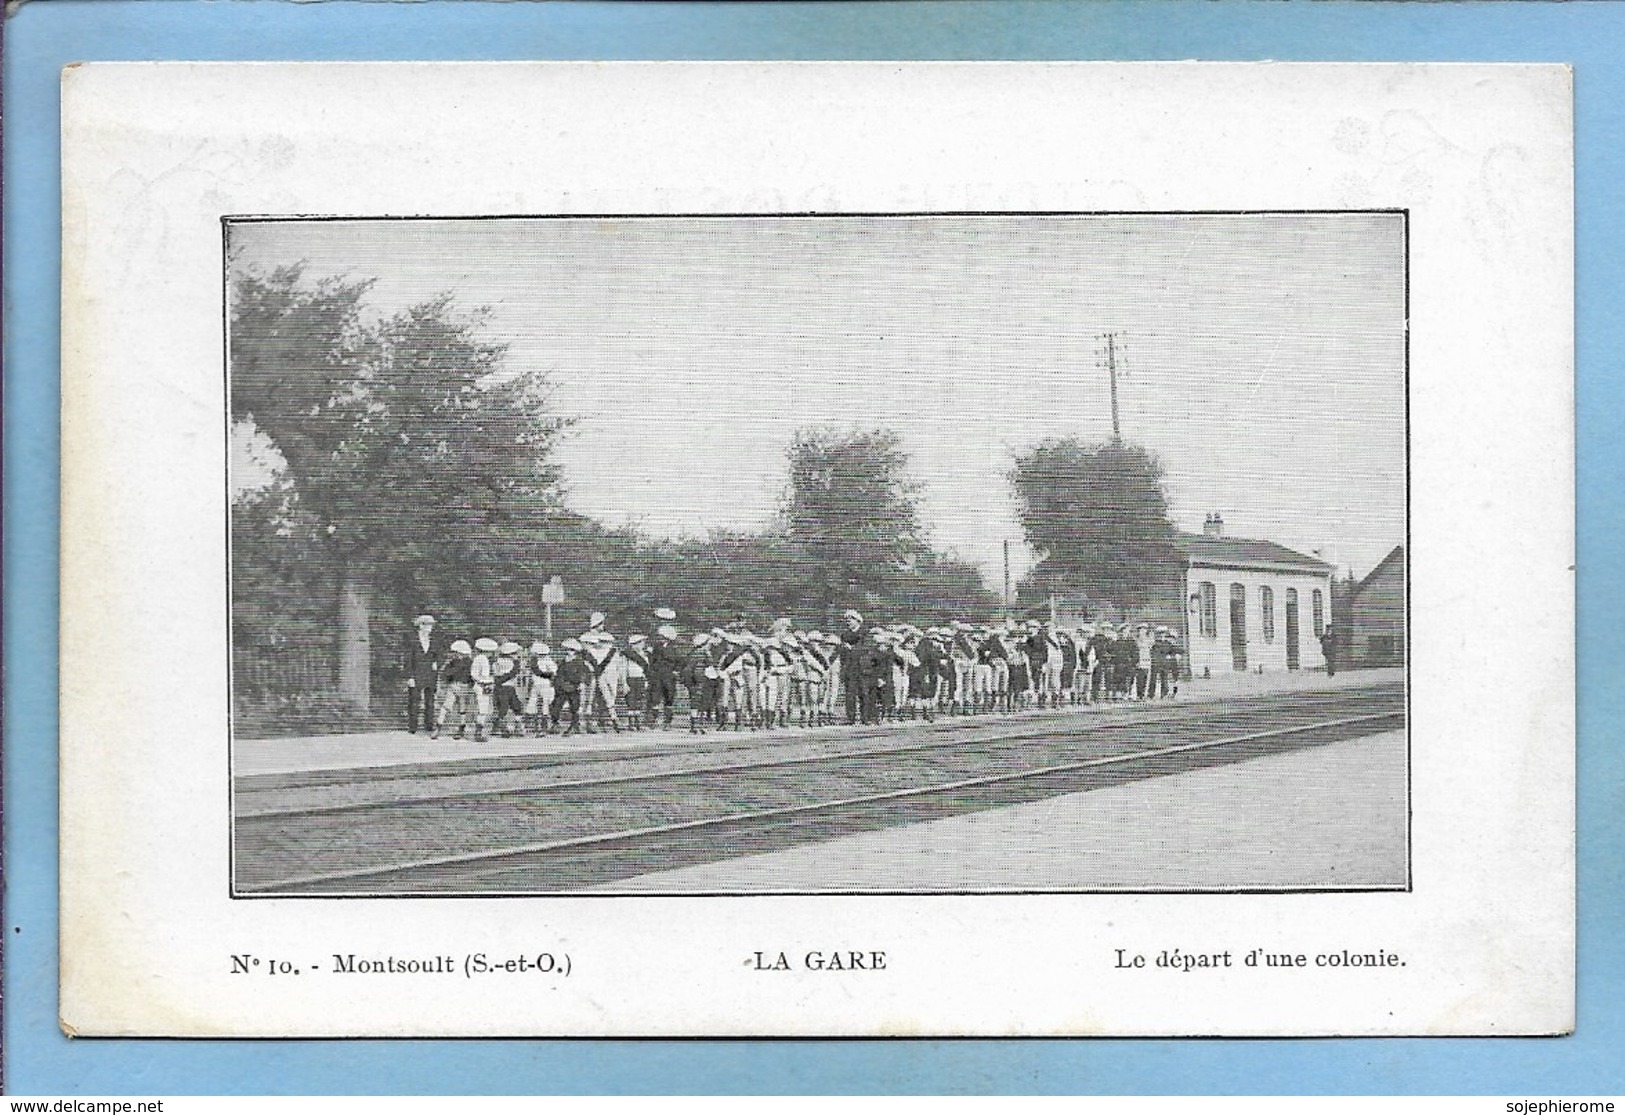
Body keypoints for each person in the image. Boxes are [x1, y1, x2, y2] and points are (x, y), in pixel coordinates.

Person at [402, 614, 442, 734]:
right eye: (428, 624)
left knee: (430, 701)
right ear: (421, 626)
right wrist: (409, 677)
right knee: (414, 700)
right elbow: (407, 659)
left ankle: (429, 725)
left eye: (431, 625)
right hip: (416, 674)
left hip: (430, 674)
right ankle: (412, 726)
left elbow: (438, 655)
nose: (430, 627)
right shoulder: (413, 640)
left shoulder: (434, 640)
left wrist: (436, 663)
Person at [434, 639, 474, 740]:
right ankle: (441, 726)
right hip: (456, 686)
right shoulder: (457, 662)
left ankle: (455, 727)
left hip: (461, 686)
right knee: (452, 707)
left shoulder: (465, 663)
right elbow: (445, 673)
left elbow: (447, 673)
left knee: (458, 707)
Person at [645, 623, 682, 730]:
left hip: (669, 677)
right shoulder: (656, 648)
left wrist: (675, 671)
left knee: (669, 699)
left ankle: (667, 722)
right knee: (655, 698)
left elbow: (678, 661)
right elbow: (652, 661)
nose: (659, 638)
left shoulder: (673, 649)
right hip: (658, 676)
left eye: (661, 636)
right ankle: (653, 720)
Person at [550, 639, 589, 735]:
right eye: (567, 650)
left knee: (574, 707)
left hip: (574, 687)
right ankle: (555, 724)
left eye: (571, 650)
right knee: (556, 706)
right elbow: (558, 674)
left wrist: (582, 682)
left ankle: (574, 725)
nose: (569, 652)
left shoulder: (579, 662)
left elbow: (585, 673)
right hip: (562, 687)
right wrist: (556, 683)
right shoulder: (562, 662)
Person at [470, 636, 498, 741]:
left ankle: (479, 731)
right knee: (483, 710)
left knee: (484, 710)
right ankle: (478, 733)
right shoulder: (483, 659)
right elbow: (481, 675)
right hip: (483, 685)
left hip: (482, 685)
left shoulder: (479, 659)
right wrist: (488, 681)